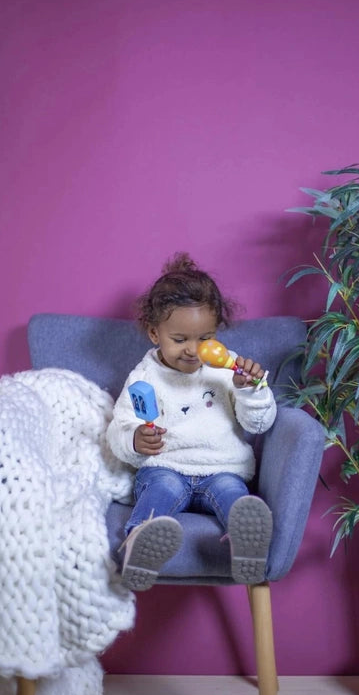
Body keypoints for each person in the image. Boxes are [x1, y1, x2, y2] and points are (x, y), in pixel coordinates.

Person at [106, 253, 276, 591]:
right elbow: (118, 429)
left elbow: (259, 424)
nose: (193, 351)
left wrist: (251, 390)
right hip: (166, 468)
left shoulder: (228, 371)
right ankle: (140, 546)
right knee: (161, 491)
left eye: (204, 338)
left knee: (233, 495)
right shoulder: (144, 377)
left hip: (222, 469)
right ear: (155, 333)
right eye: (180, 339)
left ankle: (246, 551)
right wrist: (135, 440)